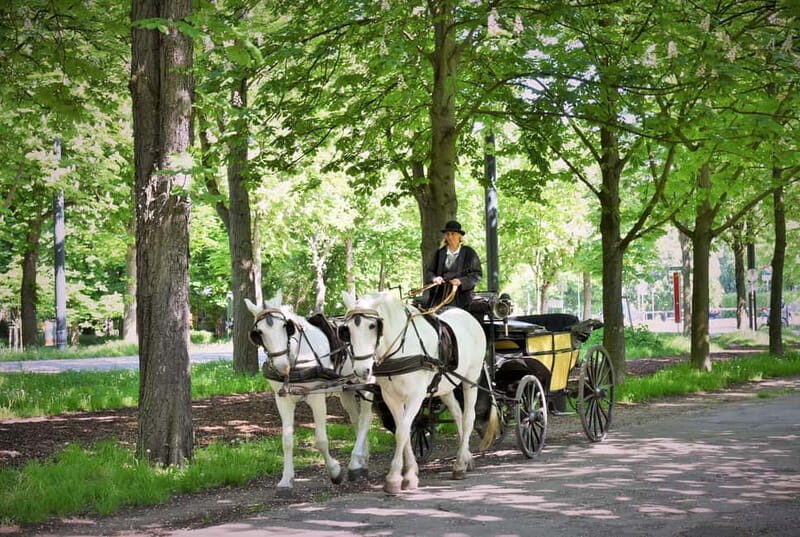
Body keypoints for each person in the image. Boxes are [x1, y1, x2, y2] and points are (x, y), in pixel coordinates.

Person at [424, 220, 482, 309]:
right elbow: (429, 272)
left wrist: (461, 281)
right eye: (447, 234)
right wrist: (435, 278)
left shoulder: (469, 253)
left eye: (453, 234)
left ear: (460, 236)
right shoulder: (440, 253)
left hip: (462, 299)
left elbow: (477, 275)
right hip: (439, 298)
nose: (450, 237)